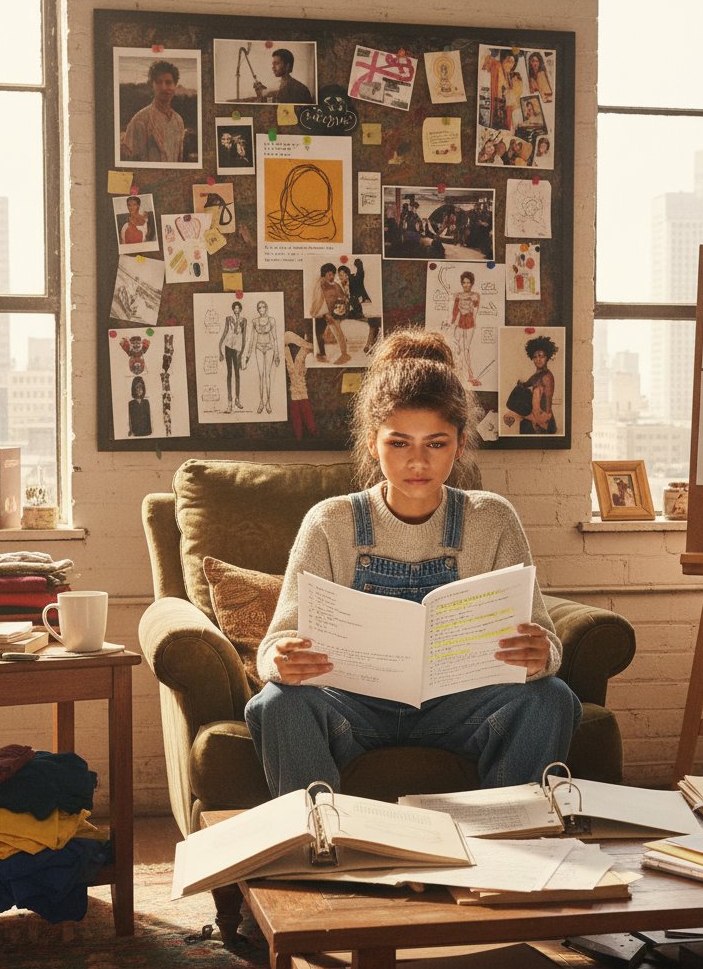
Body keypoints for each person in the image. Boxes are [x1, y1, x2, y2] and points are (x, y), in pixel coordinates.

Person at [244, 330, 580, 796]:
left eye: (436, 444)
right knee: (279, 702)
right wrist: (281, 661)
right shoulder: (329, 522)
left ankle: (511, 839)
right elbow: (275, 645)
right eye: (399, 443)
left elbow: (544, 640)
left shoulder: (493, 518)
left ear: (460, 445)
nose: (417, 462)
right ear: (372, 443)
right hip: (354, 710)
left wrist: (541, 655)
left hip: (458, 709)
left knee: (552, 700)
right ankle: (316, 840)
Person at [122, 59, 185, 164]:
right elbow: (128, 159)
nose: (164, 87)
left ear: (175, 86)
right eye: (159, 82)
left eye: (168, 82)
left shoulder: (178, 121)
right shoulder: (140, 120)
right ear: (153, 86)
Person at [308, 262, 351, 364]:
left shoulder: (336, 285)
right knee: (319, 334)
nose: (332, 276)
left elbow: (344, 298)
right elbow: (317, 299)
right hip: (320, 313)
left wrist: (337, 310)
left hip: (332, 314)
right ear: (324, 274)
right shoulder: (320, 284)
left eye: (333, 274)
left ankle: (344, 355)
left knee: (338, 333)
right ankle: (322, 354)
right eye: (329, 274)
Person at [516, 334, 558, 434]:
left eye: (541, 356)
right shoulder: (537, 374)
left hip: (542, 423)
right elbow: (527, 383)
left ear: (547, 357)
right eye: (535, 357)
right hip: (535, 419)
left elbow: (546, 408)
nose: (538, 360)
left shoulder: (547, 377)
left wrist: (539, 423)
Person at [450, 271, 481, 385]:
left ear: (472, 283)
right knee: (456, 348)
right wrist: (452, 323)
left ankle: (470, 375)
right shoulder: (458, 295)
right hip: (459, 323)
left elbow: (476, 310)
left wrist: (475, 321)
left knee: (466, 349)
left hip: (470, 324)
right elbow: (455, 310)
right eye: (464, 282)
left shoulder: (475, 295)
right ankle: (456, 373)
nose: (466, 285)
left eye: (468, 282)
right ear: (461, 283)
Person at [251, 298, 280, 415]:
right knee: (260, 375)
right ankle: (261, 402)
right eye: (259, 307)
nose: (261, 309)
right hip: (258, 348)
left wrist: (277, 354)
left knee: (267, 375)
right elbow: (252, 338)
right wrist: (247, 355)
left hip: (269, 348)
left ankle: (268, 402)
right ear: (257, 309)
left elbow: (275, 338)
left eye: (263, 307)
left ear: (266, 308)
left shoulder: (272, 320)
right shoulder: (254, 321)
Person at [218, 300, 247, 412]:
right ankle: (229, 402)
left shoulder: (244, 321)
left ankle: (237, 400)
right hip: (228, 347)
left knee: (237, 374)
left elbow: (244, 338)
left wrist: (241, 352)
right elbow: (225, 332)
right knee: (229, 374)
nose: (236, 310)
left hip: (237, 349)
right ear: (233, 309)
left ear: (240, 309)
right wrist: (219, 347)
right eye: (234, 308)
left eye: (237, 308)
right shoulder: (228, 319)